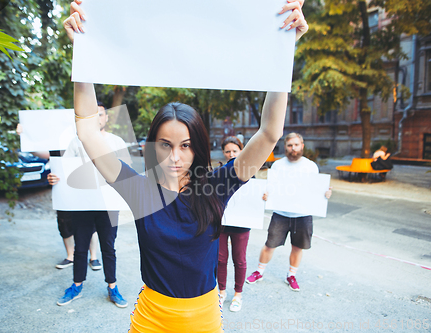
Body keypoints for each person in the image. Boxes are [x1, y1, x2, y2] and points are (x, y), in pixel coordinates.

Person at [64, 0, 308, 331]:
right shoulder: (140, 191)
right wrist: (85, 54)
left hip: (204, 320)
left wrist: (283, 50)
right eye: (165, 145)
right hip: (150, 320)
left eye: (186, 146)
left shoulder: (216, 186)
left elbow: (269, 132)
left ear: (199, 148)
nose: (175, 157)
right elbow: (88, 131)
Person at [54, 102, 133, 308]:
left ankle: (112, 287)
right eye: (93, 115)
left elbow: (127, 170)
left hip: (108, 204)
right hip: (82, 204)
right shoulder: (75, 143)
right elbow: (64, 171)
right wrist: (54, 177)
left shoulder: (116, 142)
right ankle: (76, 286)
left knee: (108, 247)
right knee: (81, 247)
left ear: (106, 118)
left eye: (100, 114)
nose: (97, 118)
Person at [246, 133, 332, 292]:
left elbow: (315, 189)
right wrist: (267, 195)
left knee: (297, 247)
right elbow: (271, 188)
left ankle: (291, 275)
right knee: (269, 245)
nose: (293, 148)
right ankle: (259, 272)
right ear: (285, 147)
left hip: (303, 214)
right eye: (290, 145)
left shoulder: (311, 166)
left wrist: (325, 194)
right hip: (281, 214)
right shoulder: (278, 166)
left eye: (296, 145)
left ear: (302, 146)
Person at [16, 124, 102, 271]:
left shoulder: (90, 144)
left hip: (87, 191)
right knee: (64, 222)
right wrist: (23, 136)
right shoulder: (57, 147)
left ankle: (93, 257)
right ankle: (71, 256)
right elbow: (38, 151)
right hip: (64, 192)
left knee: (90, 223)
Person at [217, 137, 250, 312]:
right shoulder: (218, 171)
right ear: (223, 152)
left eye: (235, 151)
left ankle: (238, 294)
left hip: (242, 223)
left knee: (239, 259)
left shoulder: (249, 171)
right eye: (228, 151)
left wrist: (264, 197)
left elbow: (256, 194)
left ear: (241, 151)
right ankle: (221, 292)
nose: (231, 154)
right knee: (220, 259)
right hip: (222, 222)